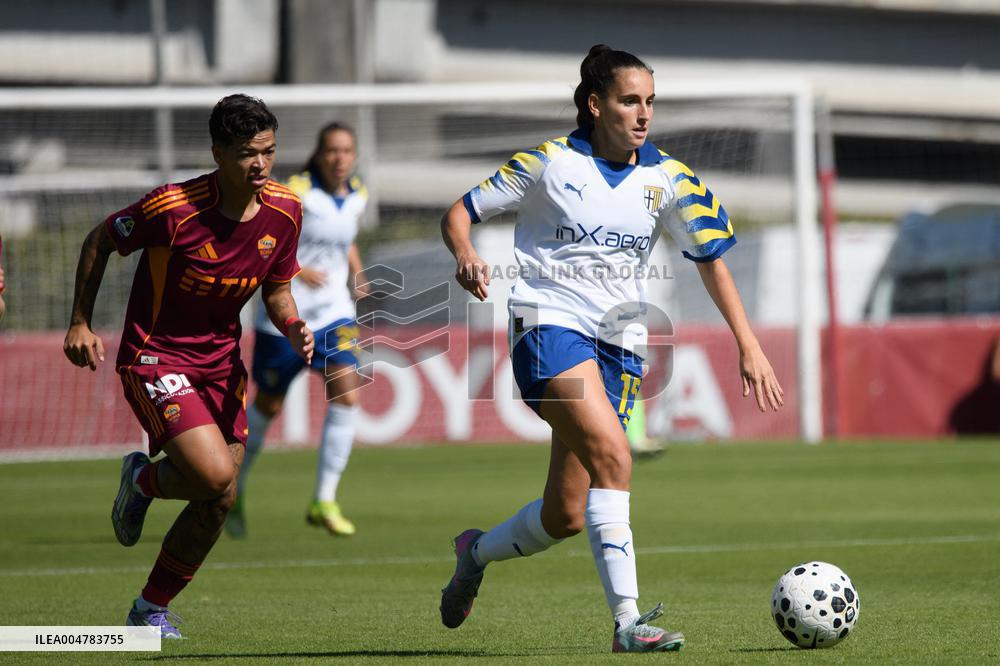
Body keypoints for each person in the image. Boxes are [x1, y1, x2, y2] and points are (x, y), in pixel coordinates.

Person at [438, 45, 784, 653]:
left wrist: (748, 345)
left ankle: (475, 551)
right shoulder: (548, 163)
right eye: (631, 100)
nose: (644, 113)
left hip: (619, 345)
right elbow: (460, 212)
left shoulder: (671, 178)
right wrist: (466, 254)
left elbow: (711, 261)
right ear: (596, 105)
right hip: (547, 328)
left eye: (651, 101)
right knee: (615, 459)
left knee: (566, 515)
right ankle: (627, 623)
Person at [62, 94, 314, 639]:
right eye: (248, 153)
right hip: (155, 356)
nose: (261, 165)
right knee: (216, 474)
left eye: (269, 152)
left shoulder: (286, 210)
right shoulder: (172, 208)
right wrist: (80, 322)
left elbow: (278, 291)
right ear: (218, 152)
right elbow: (100, 239)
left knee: (220, 496)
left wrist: (293, 325)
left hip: (221, 364)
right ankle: (144, 480)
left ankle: (148, 609)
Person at [226, 121, 368, 539]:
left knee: (347, 391)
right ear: (319, 155)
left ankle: (324, 498)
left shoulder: (358, 195)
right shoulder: (293, 192)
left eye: (346, 151)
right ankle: (235, 490)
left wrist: (357, 274)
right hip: (286, 317)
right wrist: (296, 270)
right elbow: (260, 237)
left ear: (354, 156)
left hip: (335, 314)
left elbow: (346, 242)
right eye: (332, 151)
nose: (339, 158)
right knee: (268, 405)